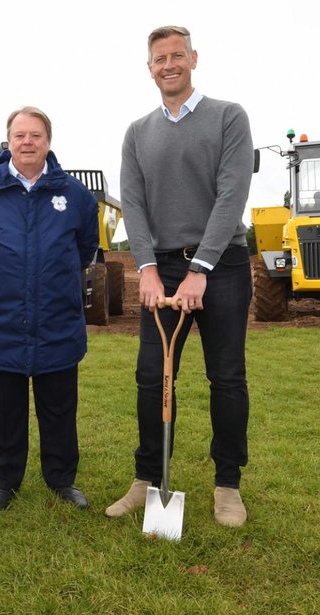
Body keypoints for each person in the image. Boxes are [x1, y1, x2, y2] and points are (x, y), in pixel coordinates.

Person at [107, 26, 254, 528]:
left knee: (226, 377)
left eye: (176, 56)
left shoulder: (228, 117)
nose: (168, 65)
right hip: (163, 267)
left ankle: (227, 485)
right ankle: (147, 478)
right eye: (158, 59)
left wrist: (200, 270)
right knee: (153, 376)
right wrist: (146, 268)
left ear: (193, 59)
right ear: (149, 68)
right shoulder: (137, 133)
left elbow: (231, 195)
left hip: (223, 265)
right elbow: (136, 205)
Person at [0, 106, 99, 513]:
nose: (28, 142)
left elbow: (85, 249)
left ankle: (61, 479)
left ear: (48, 142)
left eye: (36, 135)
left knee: (59, 410)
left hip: (57, 322)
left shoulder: (76, 197)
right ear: (9, 141)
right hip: (1, 325)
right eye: (20, 135)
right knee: (4, 410)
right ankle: (6, 481)